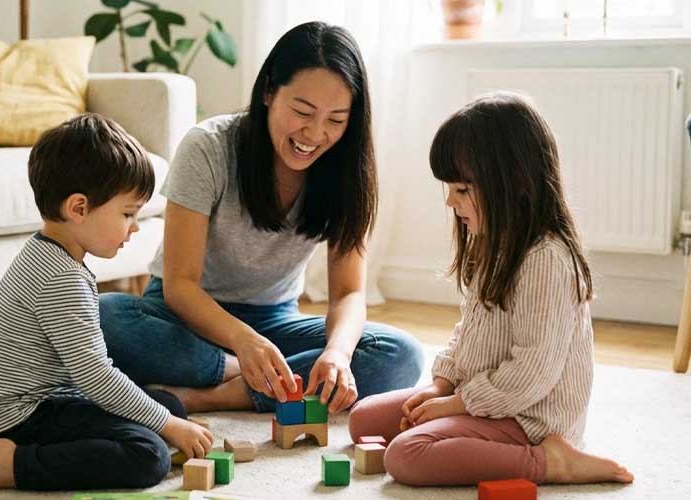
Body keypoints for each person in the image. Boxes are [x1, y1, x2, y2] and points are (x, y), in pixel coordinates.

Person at [98, 21, 424, 416]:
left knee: (399, 355)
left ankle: (209, 395)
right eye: (303, 111)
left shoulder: (345, 170)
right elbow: (180, 287)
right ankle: (248, 376)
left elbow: (349, 293)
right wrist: (242, 345)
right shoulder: (208, 148)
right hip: (183, 318)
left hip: (273, 323)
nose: (316, 133)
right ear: (269, 91)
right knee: (104, 316)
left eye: (336, 120)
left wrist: (338, 354)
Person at [348, 92, 634, 486]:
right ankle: (464, 427)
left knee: (406, 455)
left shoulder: (546, 260)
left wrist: (457, 404)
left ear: (512, 184)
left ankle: (549, 462)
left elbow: (532, 373)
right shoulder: (494, 243)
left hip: (528, 420)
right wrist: (440, 386)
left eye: (462, 190)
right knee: (364, 419)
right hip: (480, 401)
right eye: (449, 188)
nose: (450, 201)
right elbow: (469, 332)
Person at [0, 114, 213, 491]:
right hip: (25, 417)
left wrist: (165, 418)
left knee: (166, 406)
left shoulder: (49, 252)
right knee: (149, 455)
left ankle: (41, 450)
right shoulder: (60, 280)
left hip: (45, 400)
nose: (135, 227)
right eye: (128, 213)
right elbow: (97, 378)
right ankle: (12, 465)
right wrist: (167, 426)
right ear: (78, 208)